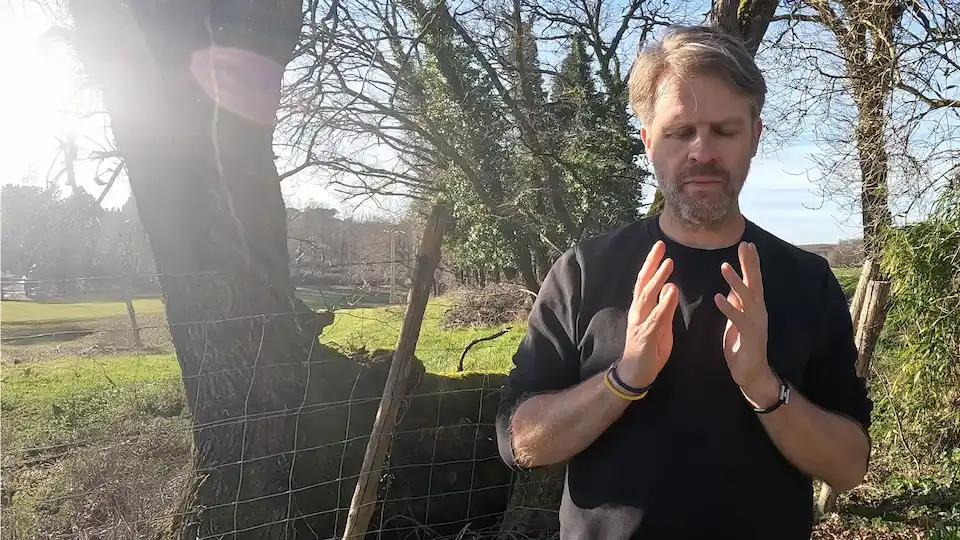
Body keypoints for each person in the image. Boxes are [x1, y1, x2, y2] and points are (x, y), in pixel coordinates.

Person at [494, 25, 873, 540]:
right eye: (680, 132)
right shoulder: (584, 272)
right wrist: (624, 379)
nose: (702, 152)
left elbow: (848, 468)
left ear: (755, 136)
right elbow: (520, 442)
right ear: (649, 141)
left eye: (725, 131)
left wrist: (763, 385)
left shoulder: (808, 281)